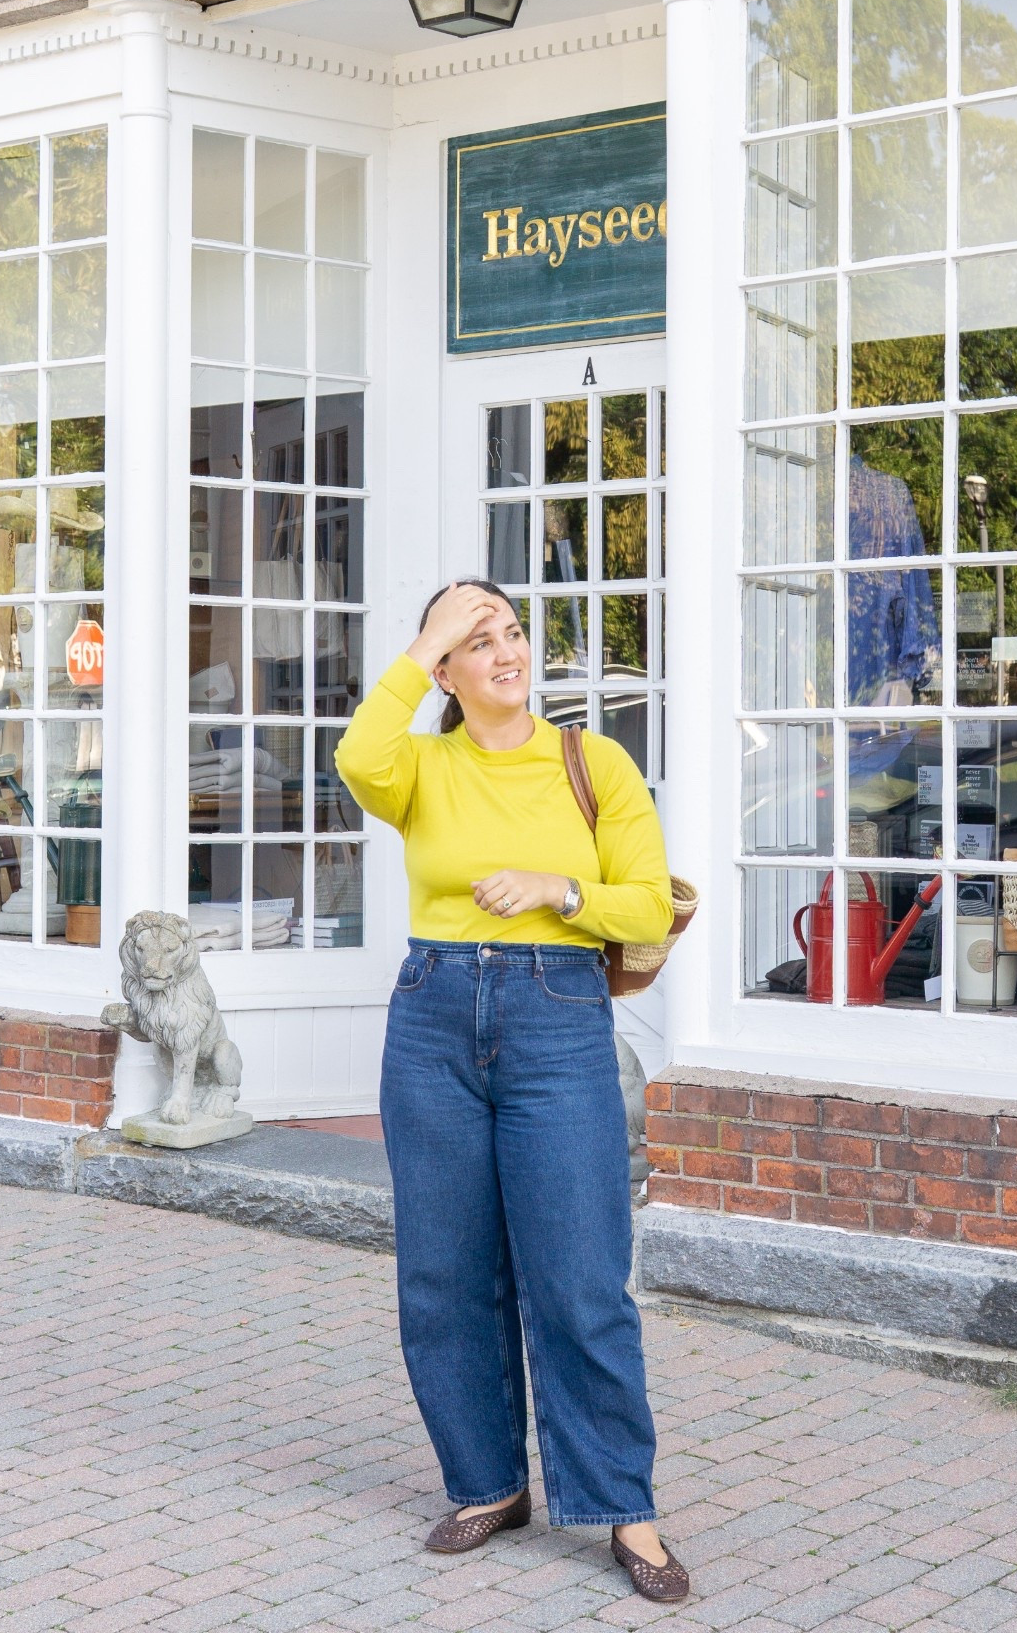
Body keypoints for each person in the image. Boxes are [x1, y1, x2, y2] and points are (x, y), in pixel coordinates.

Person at [334, 580, 689, 1604]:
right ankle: (488, 1481)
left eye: (514, 631)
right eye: (474, 639)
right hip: (433, 1015)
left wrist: (557, 890)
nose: (505, 650)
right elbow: (360, 753)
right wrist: (423, 641)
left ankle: (625, 1504)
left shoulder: (593, 761)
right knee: (445, 1274)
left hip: (556, 1017)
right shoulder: (422, 766)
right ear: (441, 667)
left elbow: (649, 900)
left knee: (580, 1276)